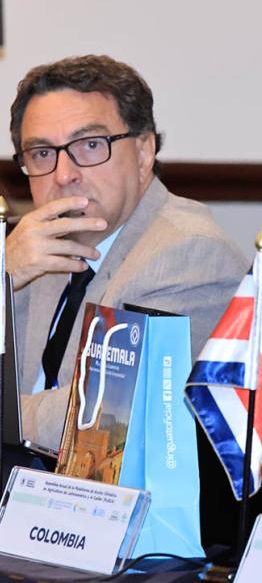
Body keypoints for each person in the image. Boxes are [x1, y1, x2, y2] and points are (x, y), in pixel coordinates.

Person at [8, 55, 248, 451]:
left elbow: (106, 415)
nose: (64, 175)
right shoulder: (32, 248)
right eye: (42, 153)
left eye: (90, 145)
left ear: (143, 152)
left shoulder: (188, 253)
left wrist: (9, 414)